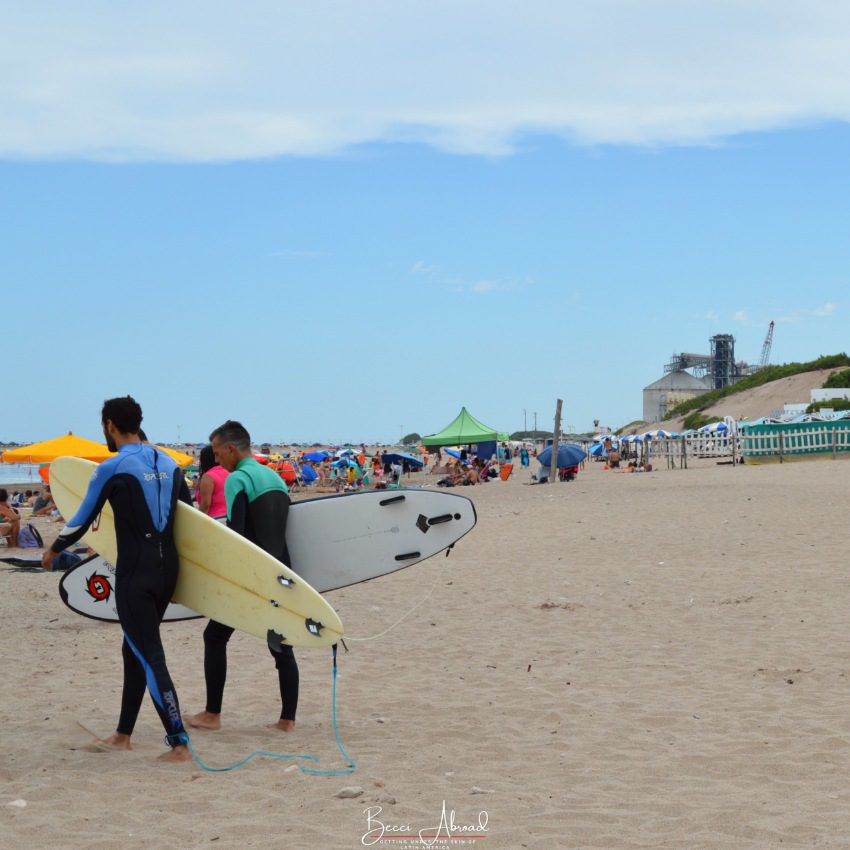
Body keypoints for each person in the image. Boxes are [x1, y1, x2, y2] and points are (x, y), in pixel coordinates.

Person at [41, 396, 192, 763]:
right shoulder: (170, 464)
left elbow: (81, 518)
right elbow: (190, 522)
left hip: (135, 575)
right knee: (134, 650)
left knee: (150, 655)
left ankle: (180, 744)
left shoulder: (113, 467)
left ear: (109, 424)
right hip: (166, 570)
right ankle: (123, 734)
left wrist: (53, 550)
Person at [189, 420, 299, 733]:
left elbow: (236, 536)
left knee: (214, 636)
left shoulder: (238, 479)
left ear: (231, 448)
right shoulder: (275, 477)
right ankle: (287, 720)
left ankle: (212, 715)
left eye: (217, 452)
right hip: (281, 573)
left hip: (251, 575)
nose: (216, 458)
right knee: (280, 644)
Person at [196, 444, 229, 519]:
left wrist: (198, 521)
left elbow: (205, 504)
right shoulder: (229, 471)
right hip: (229, 516)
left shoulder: (208, 476)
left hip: (214, 519)